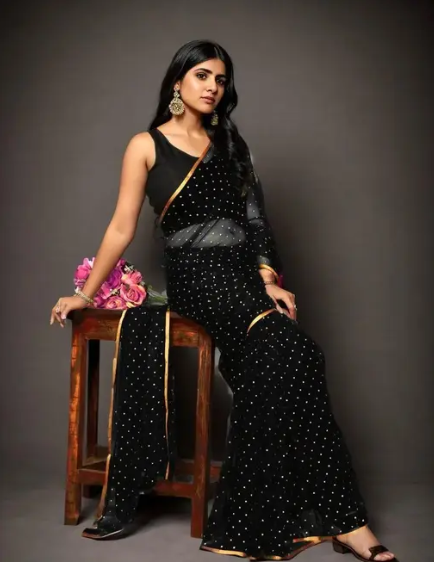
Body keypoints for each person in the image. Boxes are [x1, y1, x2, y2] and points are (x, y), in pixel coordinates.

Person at [50, 40, 397, 562]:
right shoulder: (146, 145)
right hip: (198, 280)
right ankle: (350, 524)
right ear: (178, 82)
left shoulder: (232, 145)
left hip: (243, 280)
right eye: (202, 76)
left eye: (220, 79)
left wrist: (268, 278)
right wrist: (83, 293)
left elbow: (256, 222)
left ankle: (336, 521)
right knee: (293, 355)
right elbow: (122, 227)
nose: (213, 87)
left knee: (294, 358)